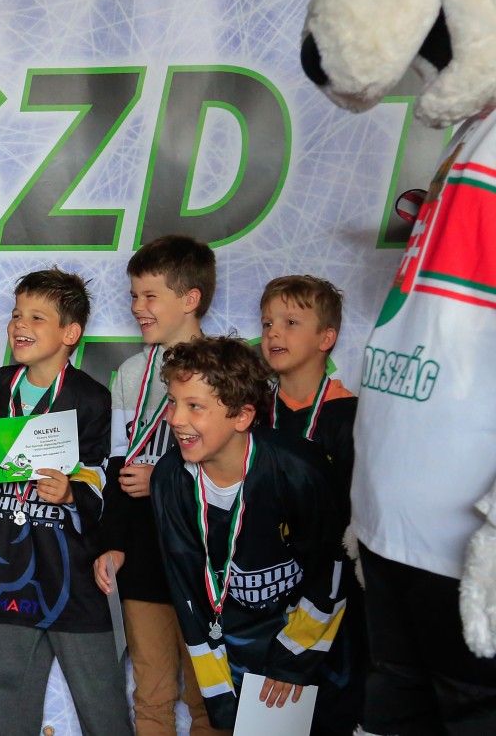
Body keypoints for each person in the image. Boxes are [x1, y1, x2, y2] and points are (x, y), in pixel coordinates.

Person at [0, 267, 132, 736]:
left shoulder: (91, 398)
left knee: (101, 699)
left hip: (72, 571)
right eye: (17, 314)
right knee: (3, 687)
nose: (20, 324)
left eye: (37, 317)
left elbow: (101, 475)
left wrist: (72, 492)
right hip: (9, 565)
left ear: (70, 334)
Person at [152, 336, 347, 730]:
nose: (175, 418)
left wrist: (294, 660)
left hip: (308, 647)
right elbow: (186, 588)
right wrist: (218, 688)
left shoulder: (300, 469)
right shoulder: (170, 479)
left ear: (242, 416)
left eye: (194, 406)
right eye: (172, 402)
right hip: (234, 647)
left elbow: (332, 570)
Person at [92, 235, 225, 736]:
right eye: (133, 295)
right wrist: (113, 542)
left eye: (150, 296)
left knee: (209, 699)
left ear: (190, 298)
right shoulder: (132, 373)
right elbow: (117, 467)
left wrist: (165, 479)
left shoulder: (227, 369)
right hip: (144, 554)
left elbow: (241, 470)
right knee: (150, 696)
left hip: (206, 559)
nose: (137, 307)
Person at [259, 274, 364, 734]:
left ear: (327, 338)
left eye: (290, 322)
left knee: (327, 718)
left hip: (331, 603)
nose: (274, 333)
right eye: (267, 323)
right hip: (263, 597)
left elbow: (352, 528)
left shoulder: (351, 416)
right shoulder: (251, 413)